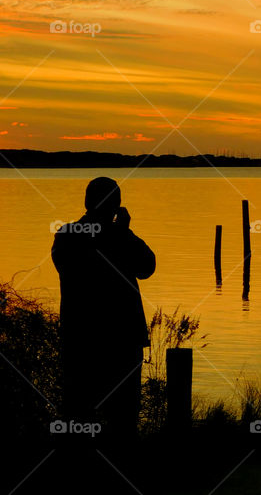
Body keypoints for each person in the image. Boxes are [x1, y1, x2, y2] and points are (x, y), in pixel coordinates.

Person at [52, 177, 155, 446]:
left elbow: (147, 267)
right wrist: (121, 232)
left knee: (80, 413)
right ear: (117, 206)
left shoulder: (66, 235)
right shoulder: (96, 237)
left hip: (83, 339)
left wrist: (120, 233)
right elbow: (146, 266)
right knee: (121, 416)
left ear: (86, 202)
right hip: (115, 340)